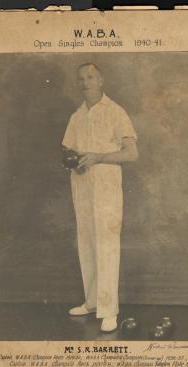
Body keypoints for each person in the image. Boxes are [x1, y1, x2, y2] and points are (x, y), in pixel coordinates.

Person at [62, 63, 138, 332]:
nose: (86, 82)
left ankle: (109, 311)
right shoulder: (77, 116)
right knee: (87, 243)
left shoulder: (116, 112)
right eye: (81, 78)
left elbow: (131, 153)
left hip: (106, 185)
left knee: (106, 244)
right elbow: (69, 150)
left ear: (101, 80)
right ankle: (92, 301)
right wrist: (75, 162)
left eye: (91, 77)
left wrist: (98, 157)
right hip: (82, 184)